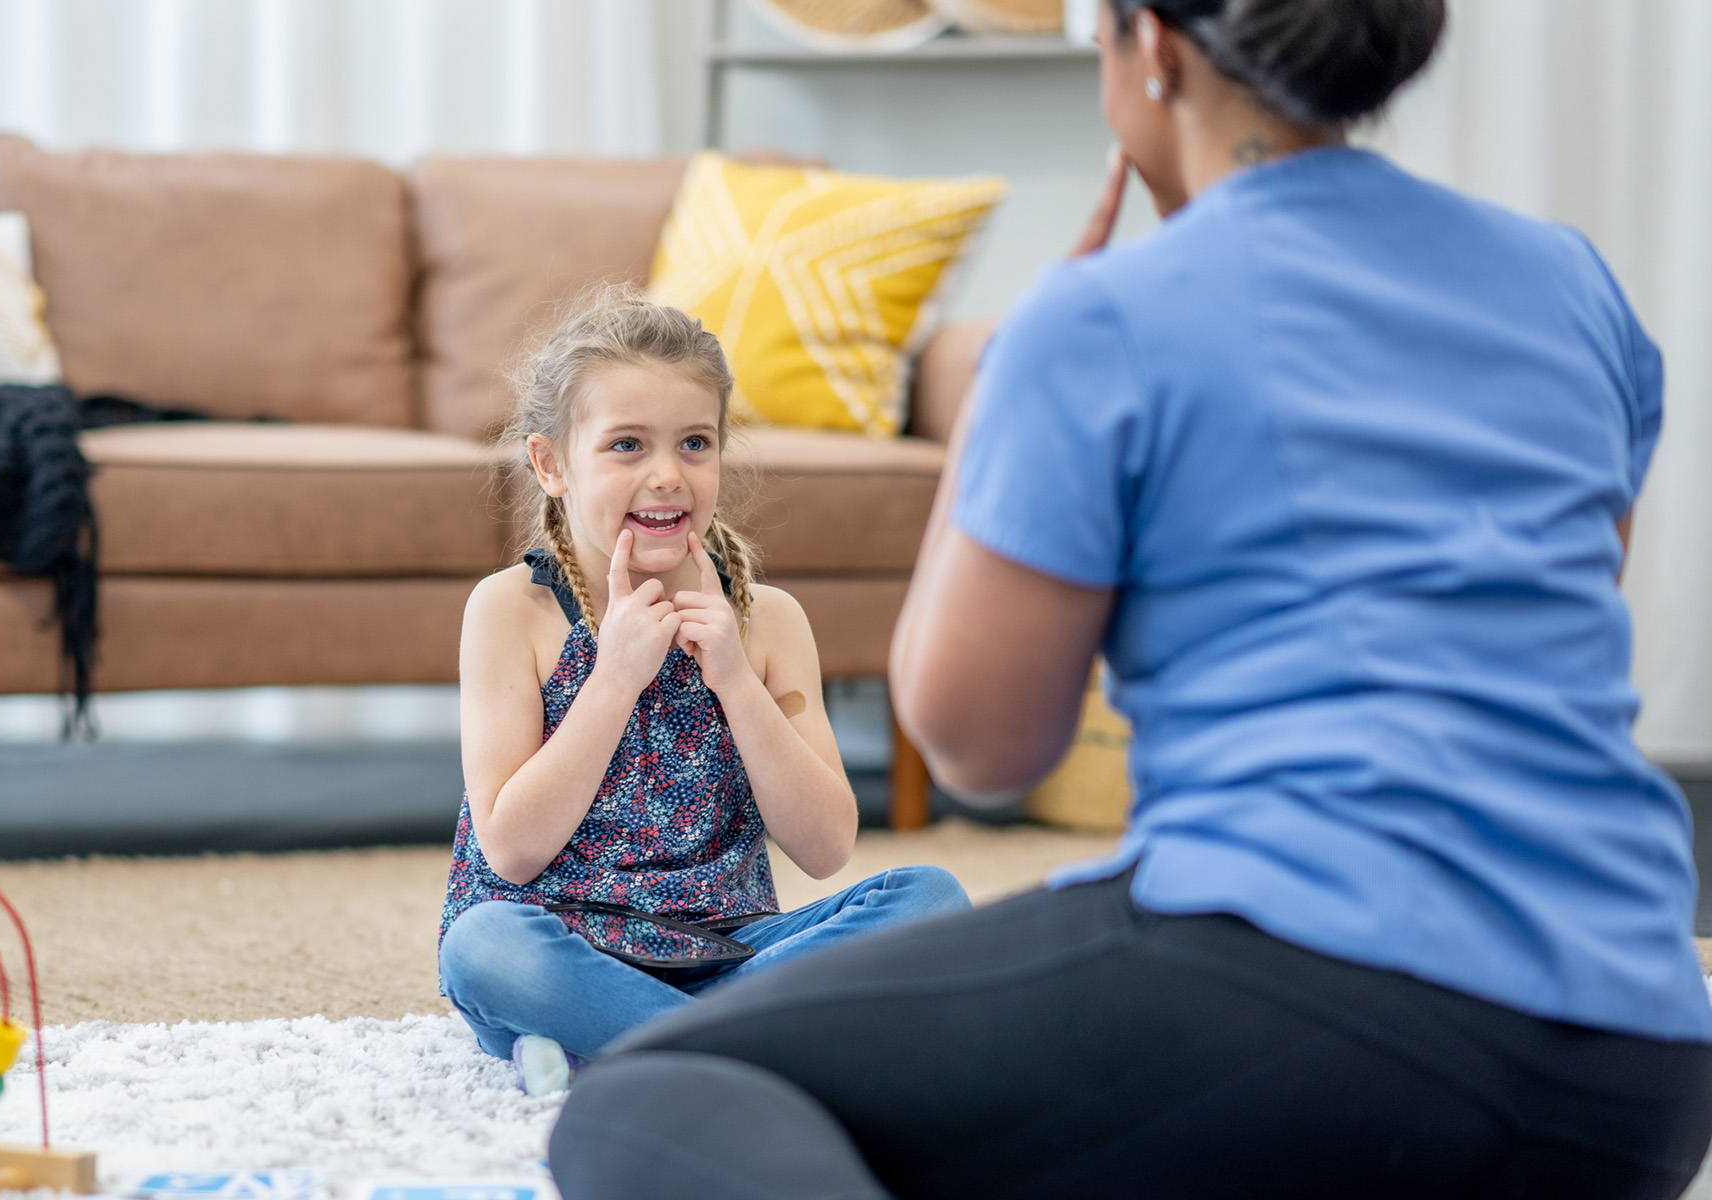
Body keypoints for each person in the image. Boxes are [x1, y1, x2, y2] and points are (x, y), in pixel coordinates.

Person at [548, 1, 1712, 1197]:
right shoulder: (1573, 285)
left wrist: (1011, 387)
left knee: (656, 1093)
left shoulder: (1104, 315)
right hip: (1641, 1064)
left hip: (1320, 1007)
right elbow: (1560, 617)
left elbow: (976, 742)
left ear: (1152, 46)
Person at [436, 288, 968, 1097]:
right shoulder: (513, 611)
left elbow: (826, 848)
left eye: (694, 443)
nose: (665, 475)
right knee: (482, 949)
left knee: (932, 901)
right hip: (564, 946)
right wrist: (613, 677)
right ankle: (751, 1043)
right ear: (551, 465)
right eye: (625, 445)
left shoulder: (769, 623)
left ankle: (632, 1045)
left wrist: (733, 679)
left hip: (737, 944)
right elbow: (511, 850)